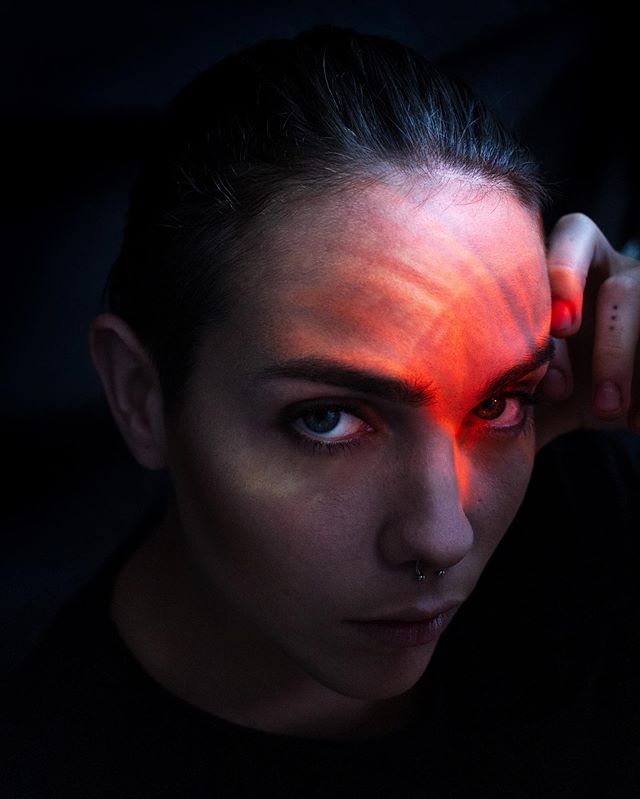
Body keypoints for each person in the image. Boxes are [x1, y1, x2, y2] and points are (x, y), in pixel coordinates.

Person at [3, 23, 639, 797]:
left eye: (500, 400)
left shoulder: (591, 502)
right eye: (328, 419)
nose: (442, 536)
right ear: (142, 398)